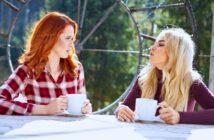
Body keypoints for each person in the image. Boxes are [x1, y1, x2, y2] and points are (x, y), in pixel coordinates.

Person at [115, 28, 214, 125]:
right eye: (155, 43)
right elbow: (125, 107)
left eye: (160, 44)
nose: (152, 47)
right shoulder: (144, 79)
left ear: (176, 53)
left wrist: (180, 117)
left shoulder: (191, 81)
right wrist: (120, 110)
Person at [0, 12, 92, 115]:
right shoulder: (27, 71)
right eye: (67, 38)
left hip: (71, 131)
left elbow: (83, 105)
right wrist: (45, 109)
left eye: (72, 39)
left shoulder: (77, 69)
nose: (72, 44)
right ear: (50, 38)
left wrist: (86, 108)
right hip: (40, 131)